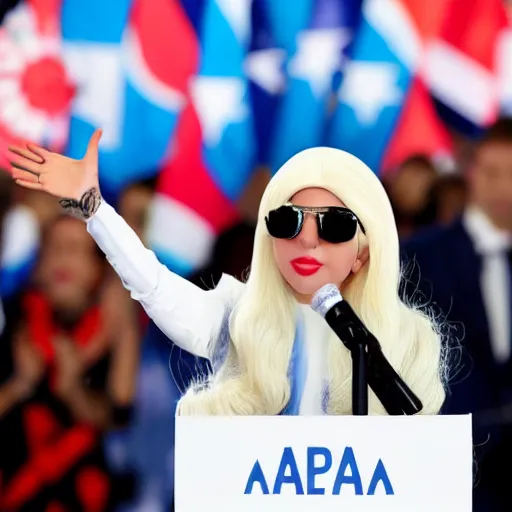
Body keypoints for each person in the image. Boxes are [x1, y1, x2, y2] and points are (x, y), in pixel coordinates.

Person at [6, 130, 446, 417]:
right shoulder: (240, 319)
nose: (308, 240)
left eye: (332, 225)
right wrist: (94, 209)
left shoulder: (405, 338)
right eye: (288, 221)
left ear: (364, 254)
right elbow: (155, 286)